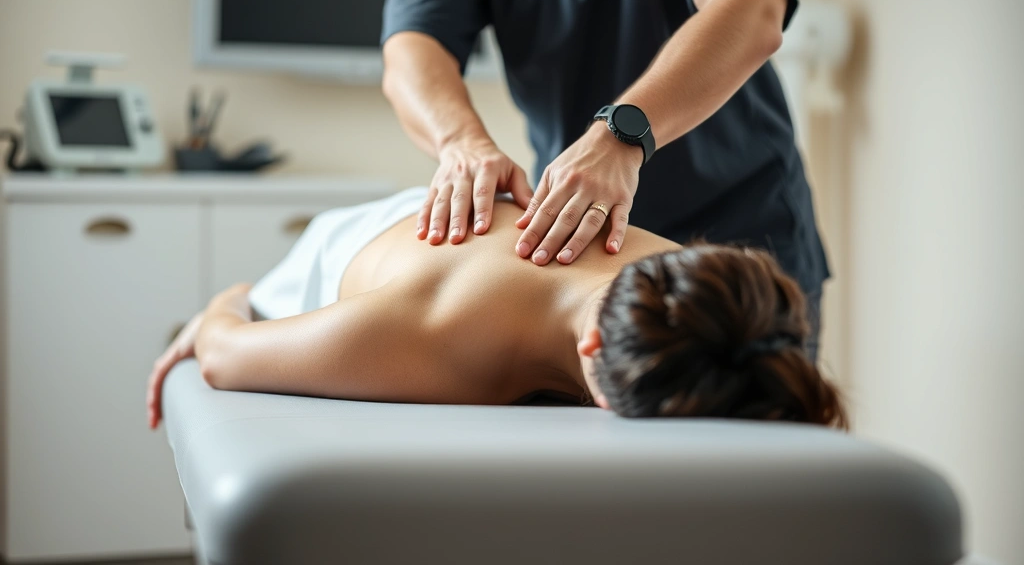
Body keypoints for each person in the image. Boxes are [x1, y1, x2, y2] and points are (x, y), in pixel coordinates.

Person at [146, 188, 846, 430]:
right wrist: (222, 309)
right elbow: (225, 358)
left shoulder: (697, 287)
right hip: (344, 251)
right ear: (594, 359)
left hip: (459, 234)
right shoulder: (436, 339)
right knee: (235, 309)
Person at [380, 0, 830, 360]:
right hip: (585, 260)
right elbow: (412, 46)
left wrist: (622, 135)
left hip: (743, 238)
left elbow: (753, 7)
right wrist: (462, 142)